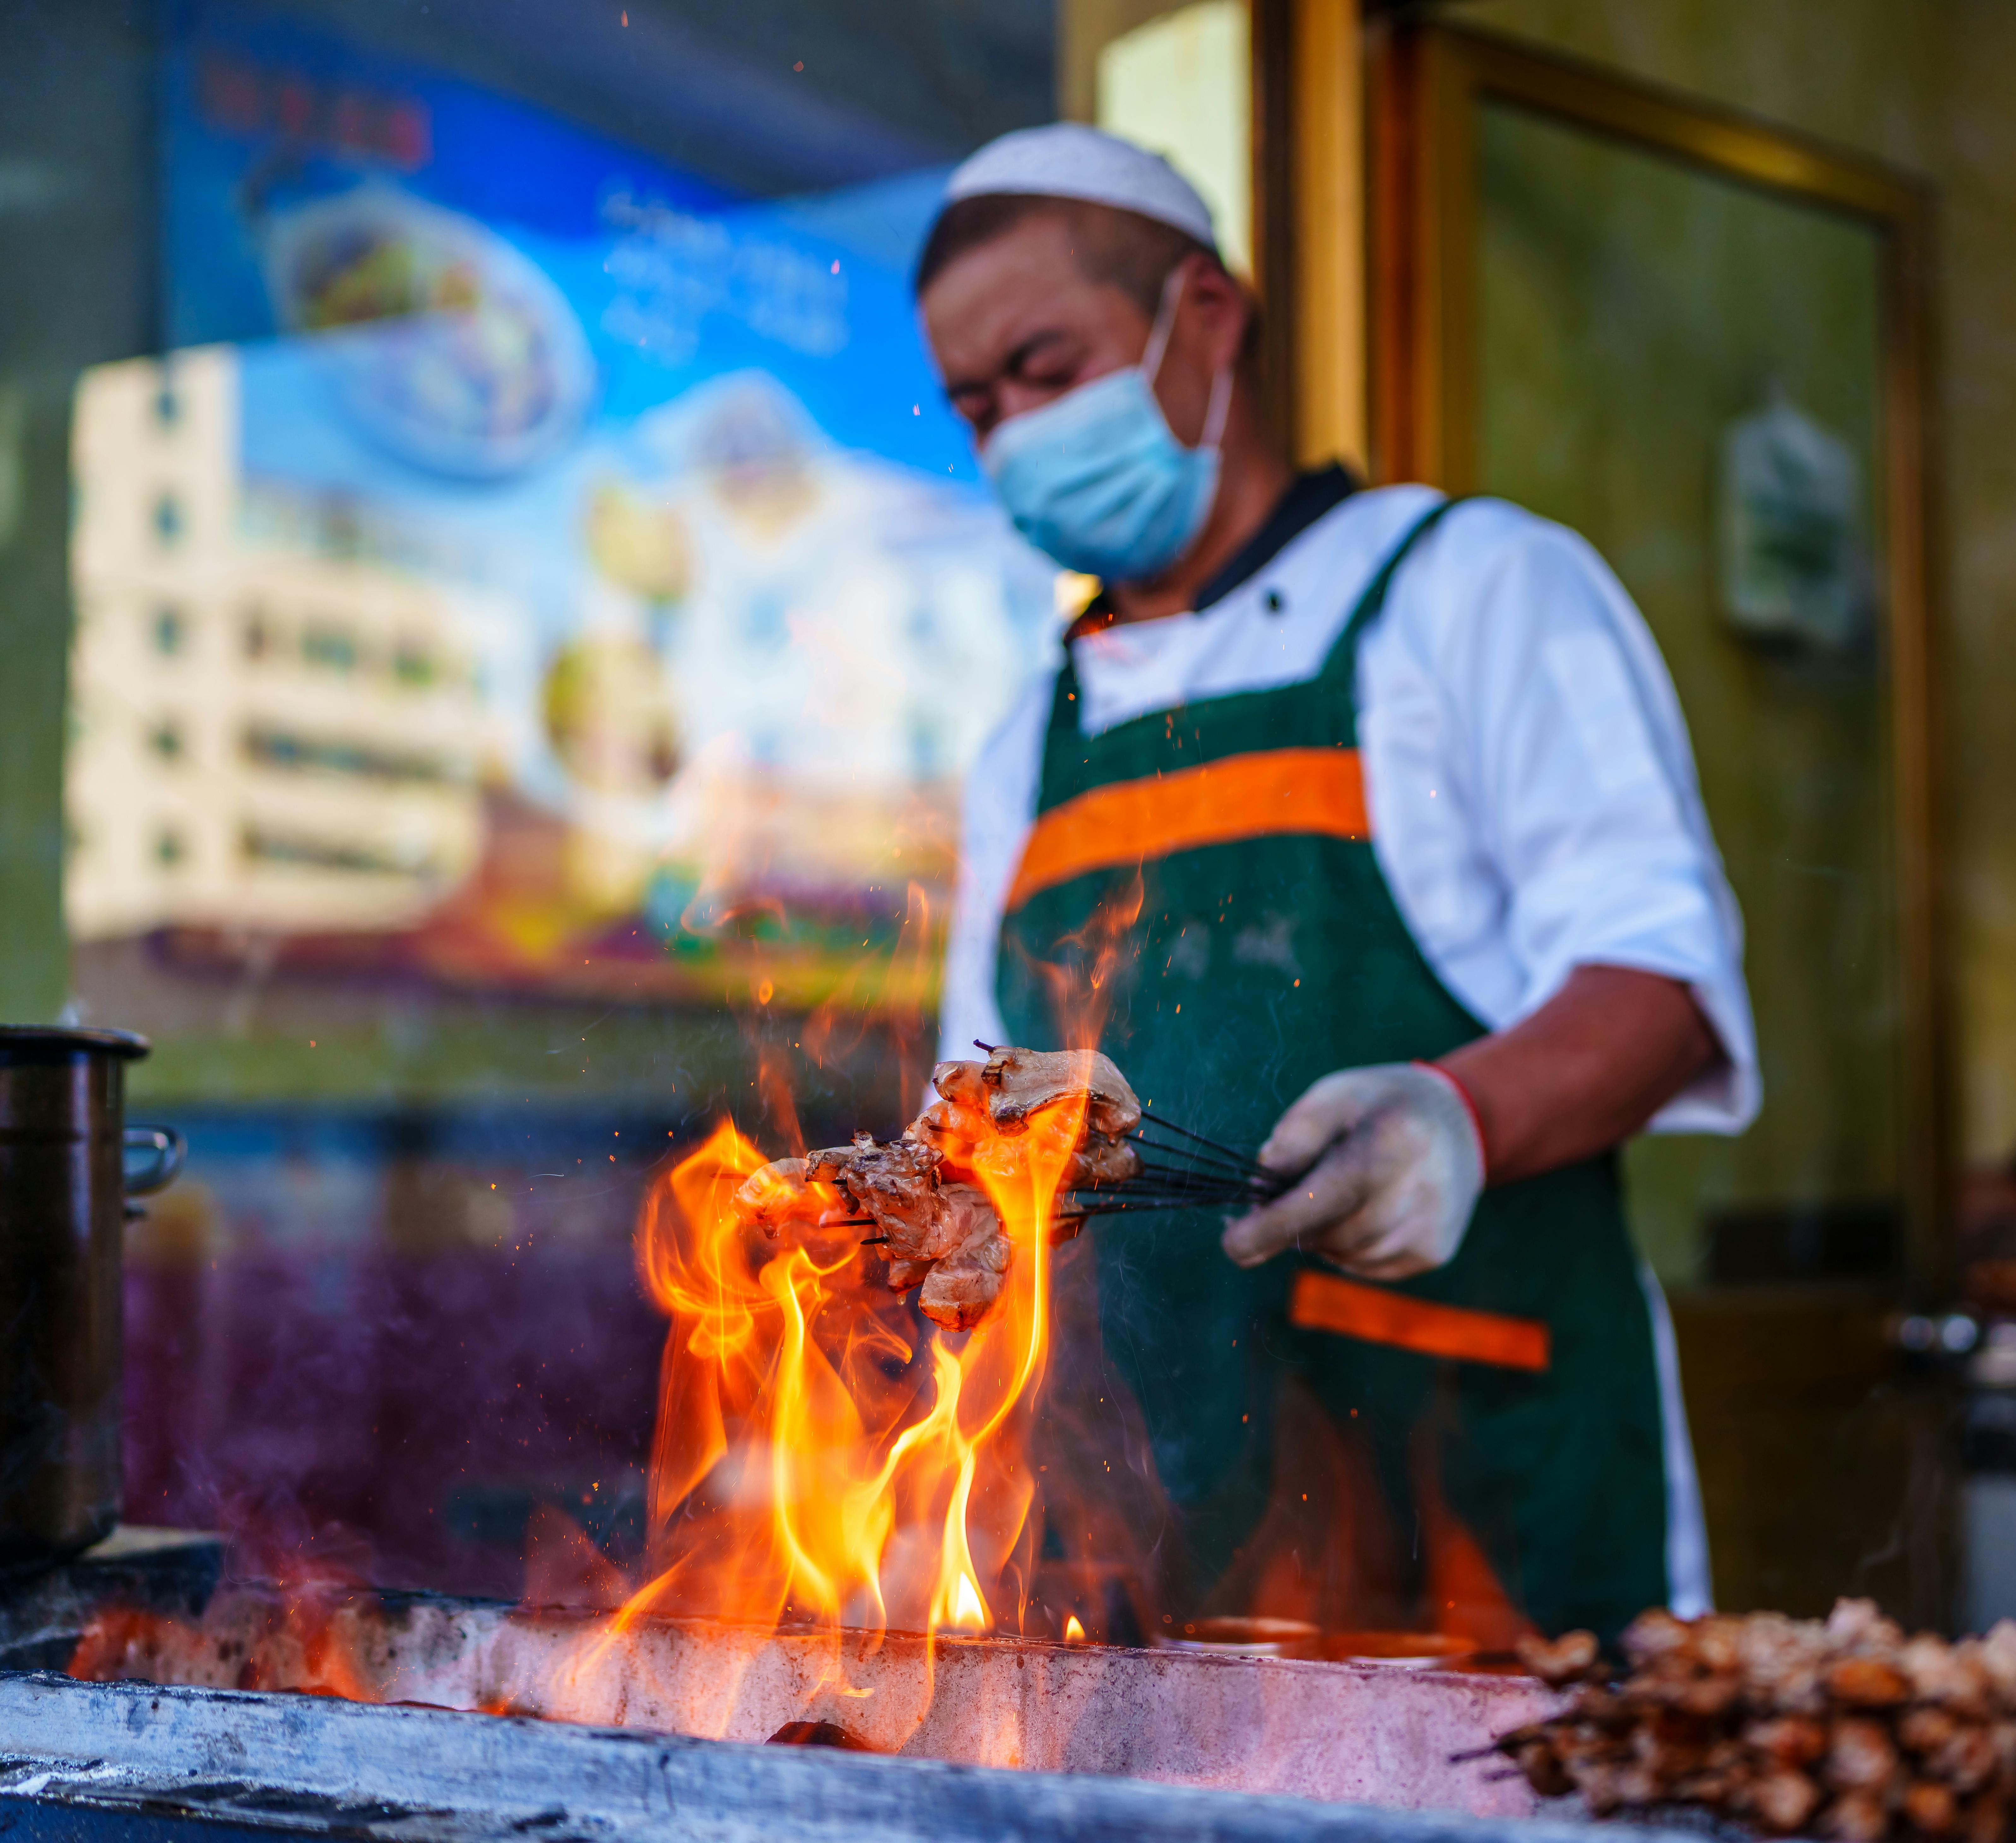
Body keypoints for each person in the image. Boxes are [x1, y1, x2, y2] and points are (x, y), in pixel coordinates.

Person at [917, 124, 1758, 1644]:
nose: (1013, 435)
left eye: (1046, 370)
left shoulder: (1467, 588)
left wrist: (1460, 1113)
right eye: (975, 406)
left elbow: (1665, 986)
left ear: (1208, 315)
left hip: (1481, 1511)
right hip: (1146, 1563)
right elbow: (980, 1120)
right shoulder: (1019, 743)